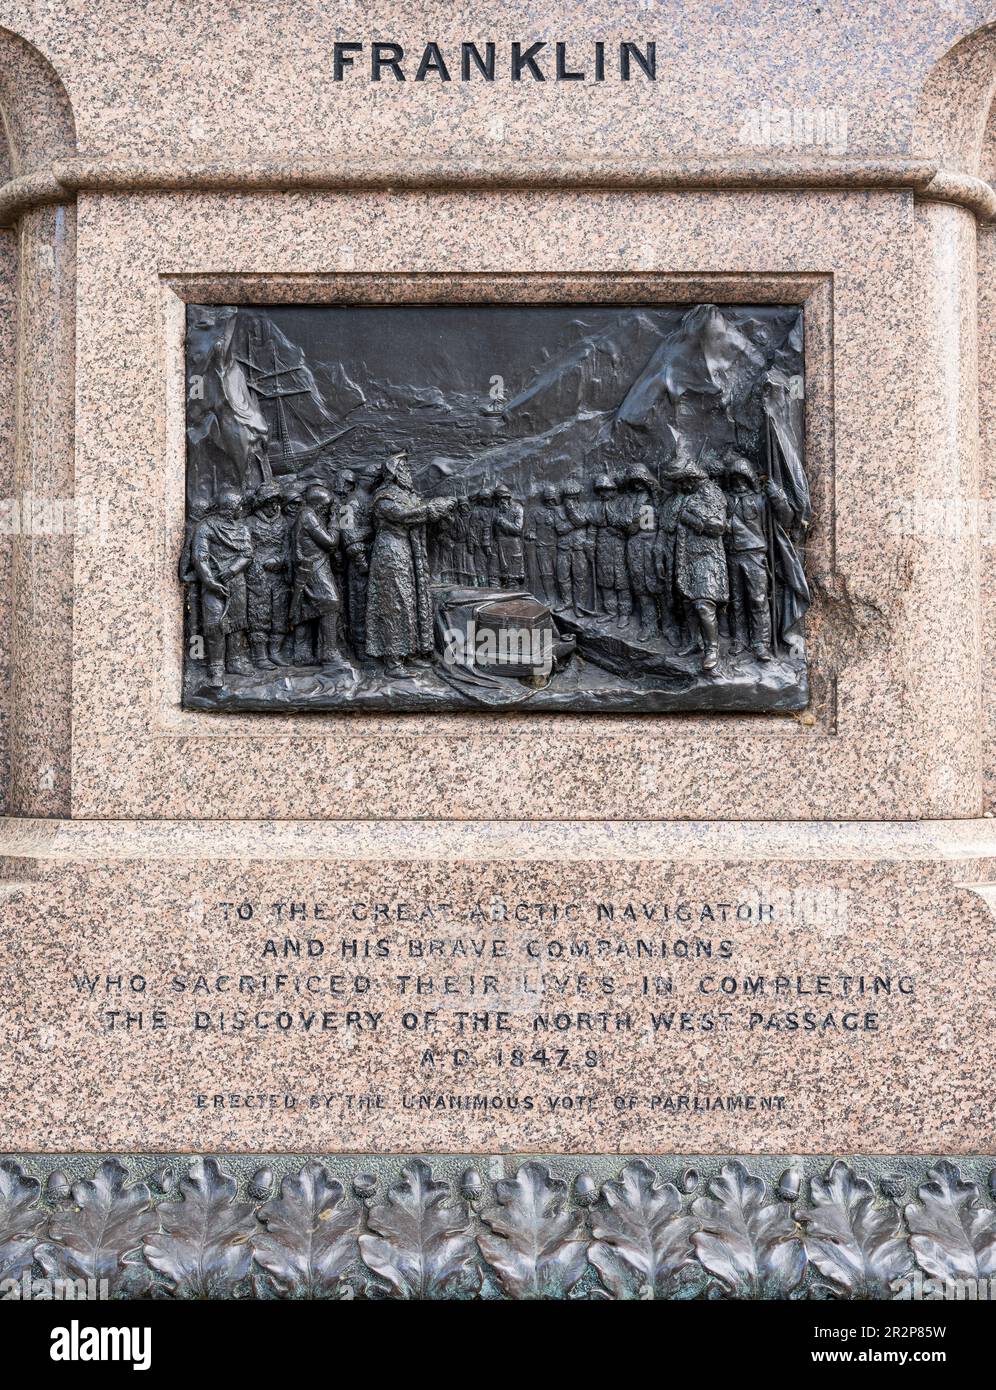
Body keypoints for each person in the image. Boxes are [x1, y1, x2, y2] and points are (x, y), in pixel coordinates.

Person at [365, 451, 456, 677]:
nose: (408, 473)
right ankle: (393, 660)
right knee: (395, 605)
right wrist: (434, 508)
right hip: (391, 553)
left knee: (411, 602)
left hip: (407, 553)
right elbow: (405, 515)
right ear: (394, 474)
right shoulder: (384, 497)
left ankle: (409, 653)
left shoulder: (407, 494)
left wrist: (442, 506)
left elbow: (418, 508)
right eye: (403, 469)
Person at [724, 454, 792, 661]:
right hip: (732, 555)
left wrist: (777, 497)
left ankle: (761, 643)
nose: (738, 483)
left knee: (758, 600)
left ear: (749, 479)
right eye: (734, 479)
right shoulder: (726, 499)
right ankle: (740, 639)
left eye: (742, 478)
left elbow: (786, 517)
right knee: (736, 601)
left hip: (754, 555)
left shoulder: (761, 500)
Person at [189, 487, 254, 688]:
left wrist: (232, 570)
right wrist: (210, 581)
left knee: (236, 623)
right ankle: (216, 668)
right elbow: (200, 557)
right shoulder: (206, 527)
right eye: (239, 506)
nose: (242, 508)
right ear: (231, 508)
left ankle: (235, 661)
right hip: (213, 583)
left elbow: (247, 553)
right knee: (215, 624)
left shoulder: (242, 529)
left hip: (236, 581)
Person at [673, 462, 729, 671]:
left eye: (682, 482)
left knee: (703, 604)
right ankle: (693, 642)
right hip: (687, 557)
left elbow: (718, 527)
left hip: (707, 557)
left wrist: (691, 519)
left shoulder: (712, 493)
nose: (681, 486)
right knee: (688, 602)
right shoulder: (690, 495)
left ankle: (712, 649)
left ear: (691, 479)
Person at [289, 484, 342, 668]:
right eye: (326, 508)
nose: (327, 511)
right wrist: (335, 521)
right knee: (330, 602)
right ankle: (329, 652)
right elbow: (330, 542)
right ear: (320, 506)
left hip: (313, 565)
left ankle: (302, 654)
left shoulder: (306, 514)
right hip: (312, 567)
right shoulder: (309, 516)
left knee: (305, 608)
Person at [245, 481, 290, 669]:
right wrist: (258, 564)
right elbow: (245, 549)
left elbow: (288, 547)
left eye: (277, 502)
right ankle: (260, 656)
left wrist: (280, 560)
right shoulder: (249, 523)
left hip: (278, 575)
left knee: (280, 613)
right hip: (257, 575)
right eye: (270, 502)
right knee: (259, 614)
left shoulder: (283, 523)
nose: (274, 506)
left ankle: (275, 652)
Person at [622, 465, 664, 642]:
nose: (638, 485)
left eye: (640, 481)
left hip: (655, 545)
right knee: (641, 587)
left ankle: (669, 627)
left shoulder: (658, 499)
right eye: (634, 482)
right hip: (636, 545)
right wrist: (634, 521)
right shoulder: (629, 500)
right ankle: (649, 625)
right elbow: (627, 525)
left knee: (660, 586)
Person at [590, 474, 632, 627]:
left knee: (622, 581)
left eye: (606, 490)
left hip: (620, 545)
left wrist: (613, 526)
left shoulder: (624, 502)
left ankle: (624, 613)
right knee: (605, 580)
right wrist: (590, 542)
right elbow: (593, 525)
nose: (603, 494)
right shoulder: (596, 505)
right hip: (602, 546)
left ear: (613, 490)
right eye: (600, 490)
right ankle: (610, 611)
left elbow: (628, 521)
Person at [557, 481, 594, 614]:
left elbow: (585, 522)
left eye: (572, 498)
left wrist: (576, 519)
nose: (569, 502)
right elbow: (559, 529)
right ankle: (567, 602)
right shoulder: (558, 510)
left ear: (577, 497)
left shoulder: (585, 507)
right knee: (563, 577)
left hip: (579, 548)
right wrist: (576, 524)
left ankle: (579, 605)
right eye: (567, 498)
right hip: (564, 548)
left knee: (580, 578)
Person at [527, 484, 561, 605]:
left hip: (559, 548)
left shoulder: (561, 512)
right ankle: (549, 598)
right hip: (542, 547)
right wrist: (531, 533)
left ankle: (563, 599)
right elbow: (531, 528)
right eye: (548, 500)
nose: (550, 502)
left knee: (561, 574)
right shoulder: (536, 513)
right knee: (546, 575)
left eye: (552, 499)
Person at [492, 482, 525, 586]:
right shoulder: (495, 510)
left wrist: (502, 522)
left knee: (514, 577)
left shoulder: (517, 508)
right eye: (499, 499)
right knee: (500, 576)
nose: (501, 502)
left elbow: (518, 529)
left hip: (513, 544)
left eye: (504, 498)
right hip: (499, 545)